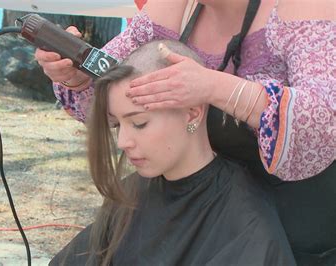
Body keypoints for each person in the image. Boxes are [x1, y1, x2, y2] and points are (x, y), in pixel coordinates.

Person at [36, 0, 335, 263]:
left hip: (288, 218)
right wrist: (78, 77)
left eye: (137, 126)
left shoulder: (304, 6)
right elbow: (119, 88)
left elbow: (324, 120)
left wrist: (213, 86)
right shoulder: (172, 9)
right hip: (195, 202)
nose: (124, 141)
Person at [49, 39, 296, 266]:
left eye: (139, 123)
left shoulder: (245, 223)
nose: (123, 142)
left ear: (192, 113)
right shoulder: (130, 195)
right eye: (118, 124)